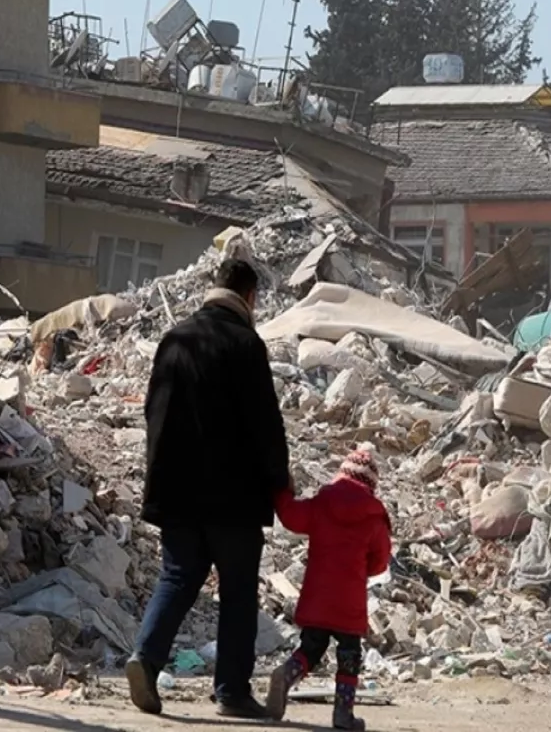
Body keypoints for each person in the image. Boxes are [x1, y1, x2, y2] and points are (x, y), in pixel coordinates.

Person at [125, 258, 291, 718]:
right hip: (232, 496)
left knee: (178, 575)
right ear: (251, 297)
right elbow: (265, 423)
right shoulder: (246, 344)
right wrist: (280, 479)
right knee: (237, 589)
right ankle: (232, 691)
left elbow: (152, 411)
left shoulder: (175, 339)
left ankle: (146, 657)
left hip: (176, 489)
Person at [265, 443, 392, 730]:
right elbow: (381, 562)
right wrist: (362, 570)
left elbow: (290, 517)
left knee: (311, 647)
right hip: (349, 602)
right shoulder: (374, 517)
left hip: (317, 596)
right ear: (371, 483)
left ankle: (286, 674)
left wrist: (283, 491)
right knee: (349, 656)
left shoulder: (323, 503)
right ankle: (342, 715)